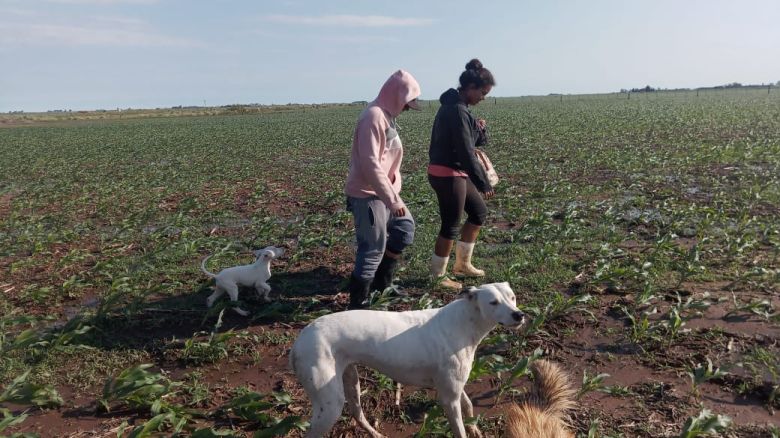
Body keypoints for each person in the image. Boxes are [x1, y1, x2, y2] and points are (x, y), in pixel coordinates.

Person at [344, 69, 421, 309]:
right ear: (397, 95)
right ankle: (359, 304)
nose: (408, 108)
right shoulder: (373, 116)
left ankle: (382, 283)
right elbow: (370, 163)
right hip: (368, 194)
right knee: (372, 248)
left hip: (385, 192)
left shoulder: (387, 115)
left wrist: (393, 192)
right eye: (407, 102)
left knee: (404, 229)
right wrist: (393, 200)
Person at [427, 59, 496, 289]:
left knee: (478, 213)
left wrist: (478, 129)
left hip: (455, 172)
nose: (483, 98)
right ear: (470, 88)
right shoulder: (457, 110)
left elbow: (469, 142)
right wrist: (483, 182)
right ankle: (438, 276)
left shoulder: (460, 109)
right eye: (483, 93)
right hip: (448, 173)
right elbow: (466, 153)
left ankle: (462, 264)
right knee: (450, 224)